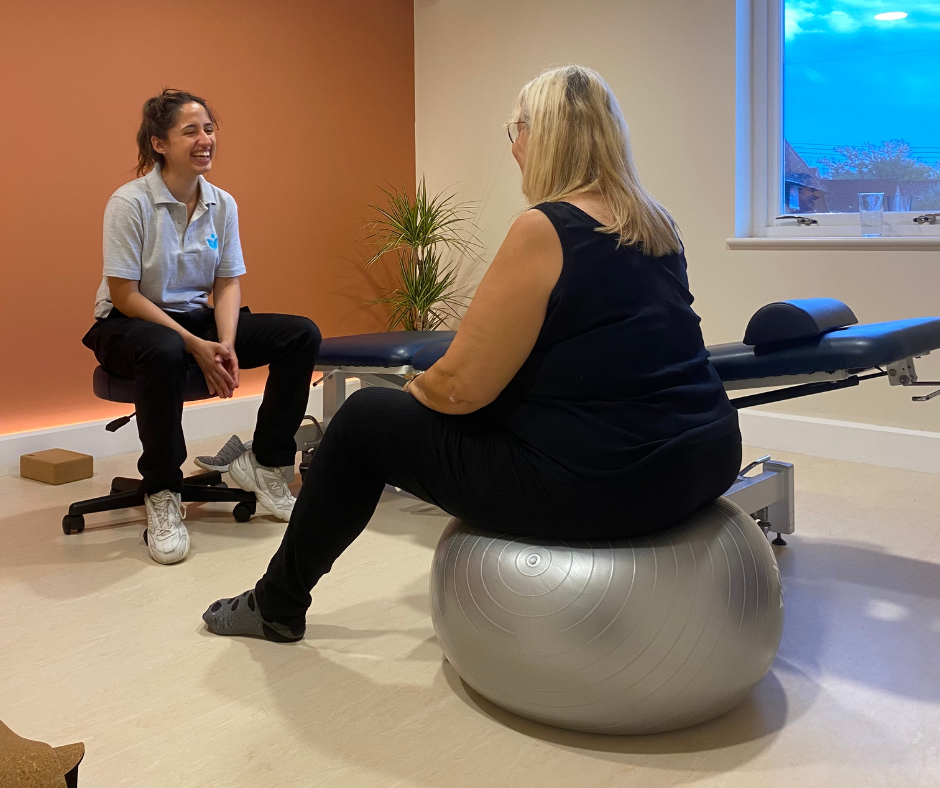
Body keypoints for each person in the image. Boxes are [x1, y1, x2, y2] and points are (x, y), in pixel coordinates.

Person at [203, 66, 742, 643]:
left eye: (515, 131)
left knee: (364, 419)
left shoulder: (545, 227)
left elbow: (461, 387)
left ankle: (275, 604)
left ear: (545, 137)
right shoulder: (657, 224)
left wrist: (415, 399)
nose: (514, 148)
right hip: (703, 458)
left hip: (606, 485)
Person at [82, 89, 321, 566]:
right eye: (190, 131)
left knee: (301, 334)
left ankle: (266, 464)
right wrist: (196, 344)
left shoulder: (222, 204)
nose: (204, 139)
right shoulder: (129, 204)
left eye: (209, 129)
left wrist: (225, 344)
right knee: (166, 348)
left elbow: (228, 283)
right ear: (159, 143)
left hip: (196, 319)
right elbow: (126, 294)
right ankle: (163, 490)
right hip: (129, 324)